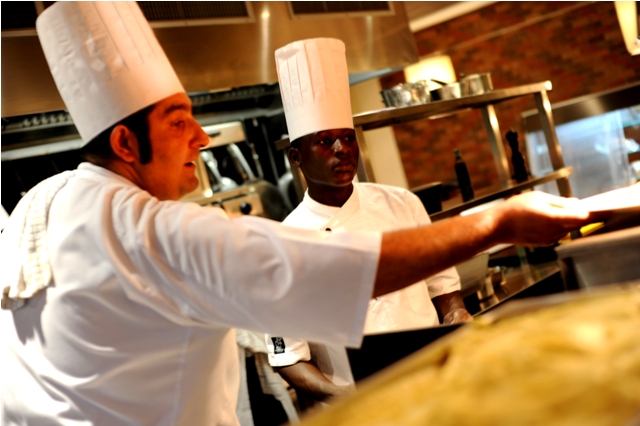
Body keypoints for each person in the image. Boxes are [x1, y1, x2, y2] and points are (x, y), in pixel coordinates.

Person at [0, 4, 594, 426]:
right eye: (179, 120)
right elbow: (319, 273)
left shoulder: (40, 206)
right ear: (127, 146)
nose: (201, 139)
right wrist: (498, 222)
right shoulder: (152, 230)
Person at [266, 38, 471, 404]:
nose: (342, 149)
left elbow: (444, 288)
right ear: (297, 156)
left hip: (434, 385)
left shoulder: (402, 204)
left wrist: (456, 313)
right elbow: (288, 357)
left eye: (347, 138)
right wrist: (346, 394)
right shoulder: (282, 244)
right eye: (325, 141)